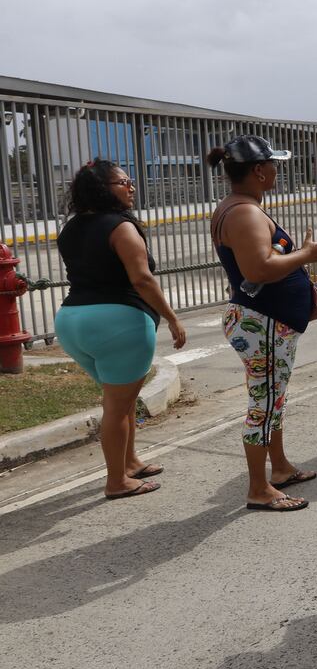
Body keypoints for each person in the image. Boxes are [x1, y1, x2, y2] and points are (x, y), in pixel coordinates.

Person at [208, 136, 317, 512]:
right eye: (274, 164)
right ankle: (259, 489)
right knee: (264, 403)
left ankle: (278, 468)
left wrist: (298, 256)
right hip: (264, 324)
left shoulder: (242, 207)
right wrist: (306, 255)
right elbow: (258, 268)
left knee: (272, 397)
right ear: (259, 171)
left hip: (266, 322)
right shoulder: (244, 213)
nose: (278, 170)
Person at [54, 160, 187, 500]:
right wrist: (171, 317)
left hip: (72, 321)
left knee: (121, 397)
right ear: (102, 188)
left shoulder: (71, 228)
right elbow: (141, 279)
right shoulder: (121, 227)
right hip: (118, 323)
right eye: (123, 182)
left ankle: (130, 462)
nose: (131, 187)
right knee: (116, 406)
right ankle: (117, 481)